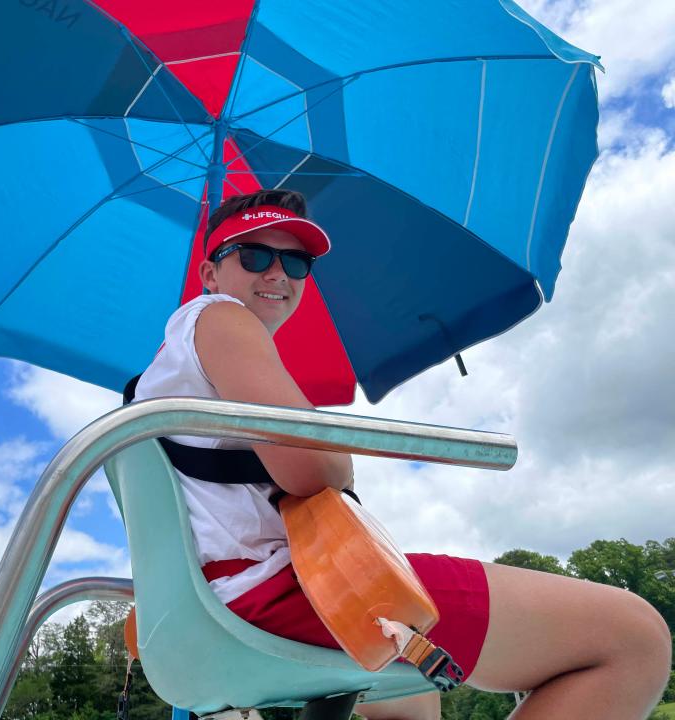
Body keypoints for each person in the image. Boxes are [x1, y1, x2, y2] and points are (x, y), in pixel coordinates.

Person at [132, 189, 671, 720]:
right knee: (631, 639)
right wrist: (337, 456)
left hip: (215, 607)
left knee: (413, 699)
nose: (277, 274)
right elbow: (313, 471)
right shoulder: (219, 317)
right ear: (210, 274)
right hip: (272, 596)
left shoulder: (170, 372)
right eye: (254, 255)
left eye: (296, 262)